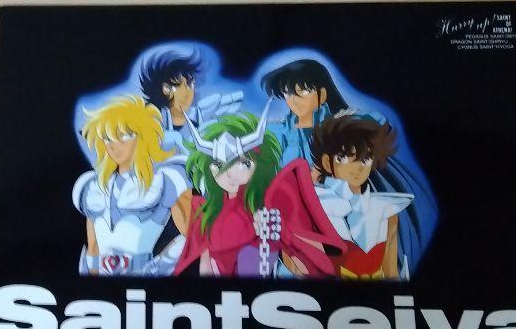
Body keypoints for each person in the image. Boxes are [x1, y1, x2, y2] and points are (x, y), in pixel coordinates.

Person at [174, 109, 344, 278]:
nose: (229, 175)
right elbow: (202, 259)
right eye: (218, 165)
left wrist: (280, 233)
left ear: (258, 163)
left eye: (243, 164)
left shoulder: (270, 204)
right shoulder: (206, 210)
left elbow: (317, 265)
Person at [73, 95, 192, 275]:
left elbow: (191, 235)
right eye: (107, 138)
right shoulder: (93, 186)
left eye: (124, 135)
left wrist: (164, 263)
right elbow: (93, 247)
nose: (114, 145)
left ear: (143, 136)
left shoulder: (164, 181)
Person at [310, 111, 414, 279]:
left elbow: (391, 271)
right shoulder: (317, 204)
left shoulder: (386, 210)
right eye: (344, 157)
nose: (357, 167)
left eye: (365, 159)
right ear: (327, 163)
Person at [138, 45, 241, 157]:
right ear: (167, 89)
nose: (191, 91)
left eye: (192, 84)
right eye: (187, 84)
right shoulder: (151, 125)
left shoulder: (199, 118)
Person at [260, 58, 349, 169]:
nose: (295, 100)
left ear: (322, 94)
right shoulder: (278, 131)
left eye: (304, 91)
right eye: (288, 94)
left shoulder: (342, 128)